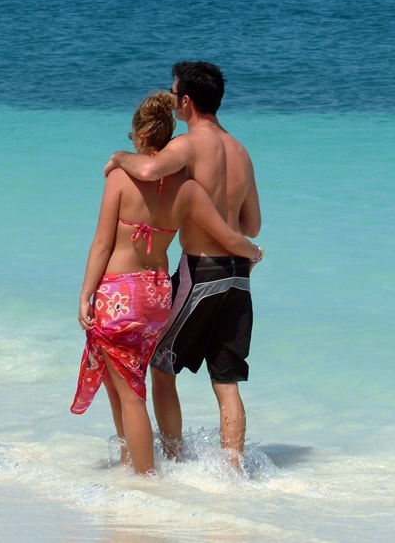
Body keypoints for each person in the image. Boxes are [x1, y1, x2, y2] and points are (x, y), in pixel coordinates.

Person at [71, 90, 263, 476]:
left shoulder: (121, 179)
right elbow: (234, 232)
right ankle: (143, 461)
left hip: (119, 292)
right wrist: (252, 253)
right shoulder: (188, 189)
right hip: (158, 292)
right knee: (125, 381)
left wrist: (85, 294)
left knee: (131, 392)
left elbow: (103, 243)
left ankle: (145, 480)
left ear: (140, 138)